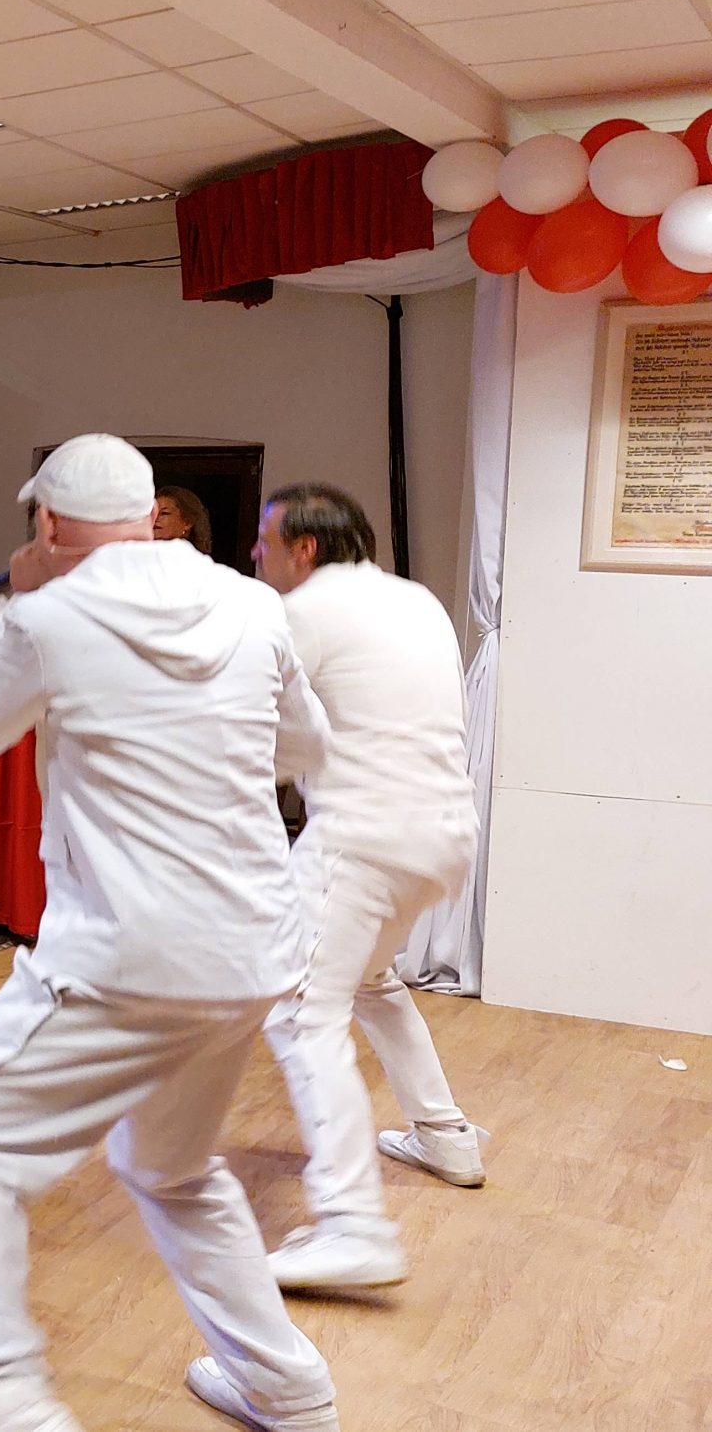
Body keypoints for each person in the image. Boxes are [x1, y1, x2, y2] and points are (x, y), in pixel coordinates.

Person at [0, 434, 337, 1432]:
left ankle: (1, 1399)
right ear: (150, 514)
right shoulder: (251, 603)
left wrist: (13, 602)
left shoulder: (48, 613)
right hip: (251, 952)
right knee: (171, 1168)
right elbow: (307, 746)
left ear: (48, 523)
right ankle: (286, 1387)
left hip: (123, 956)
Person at [250, 484, 486, 1291]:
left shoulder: (302, 611)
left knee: (297, 1009)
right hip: (444, 837)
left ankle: (352, 1226)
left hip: (364, 839)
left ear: (303, 548)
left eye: (265, 540)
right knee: (371, 978)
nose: (256, 554)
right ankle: (444, 1134)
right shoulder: (415, 600)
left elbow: (263, 733)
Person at [154, 485, 214, 555]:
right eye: (152, 514)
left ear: (187, 522)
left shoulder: (196, 559)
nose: (155, 518)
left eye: (164, 513)